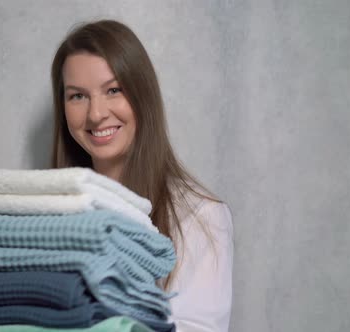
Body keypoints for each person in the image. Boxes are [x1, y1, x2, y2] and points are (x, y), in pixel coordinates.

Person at [50, 20, 234, 332]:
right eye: (78, 96)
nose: (96, 114)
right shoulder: (47, 213)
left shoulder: (201, 218)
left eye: (113, 90)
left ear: (143, 95)